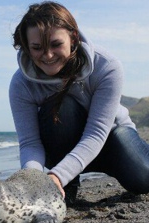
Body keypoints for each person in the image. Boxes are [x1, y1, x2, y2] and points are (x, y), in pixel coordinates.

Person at [9, 1, 149, 206]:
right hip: (62, 144)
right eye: (37, 48)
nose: (47, 55)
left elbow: (97, 133)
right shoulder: (21, 84)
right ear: (28, 47)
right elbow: (30, 143)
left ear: (73, 38)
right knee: (60, 106)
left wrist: (56, 175)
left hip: (111, 138)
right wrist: (32, 181)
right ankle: (68, 185)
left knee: (143, 180)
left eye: (56, 44)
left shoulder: (107, 66)